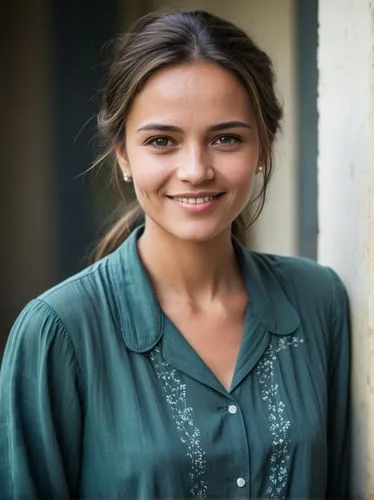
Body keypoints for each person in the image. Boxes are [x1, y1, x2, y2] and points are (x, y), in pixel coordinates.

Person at [0, 9, 350, 500]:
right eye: (162, 141)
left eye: (226, 138)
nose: (195, 169)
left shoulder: (319, 302)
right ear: (123, 154)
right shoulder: (58, 332)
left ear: (265, 146)